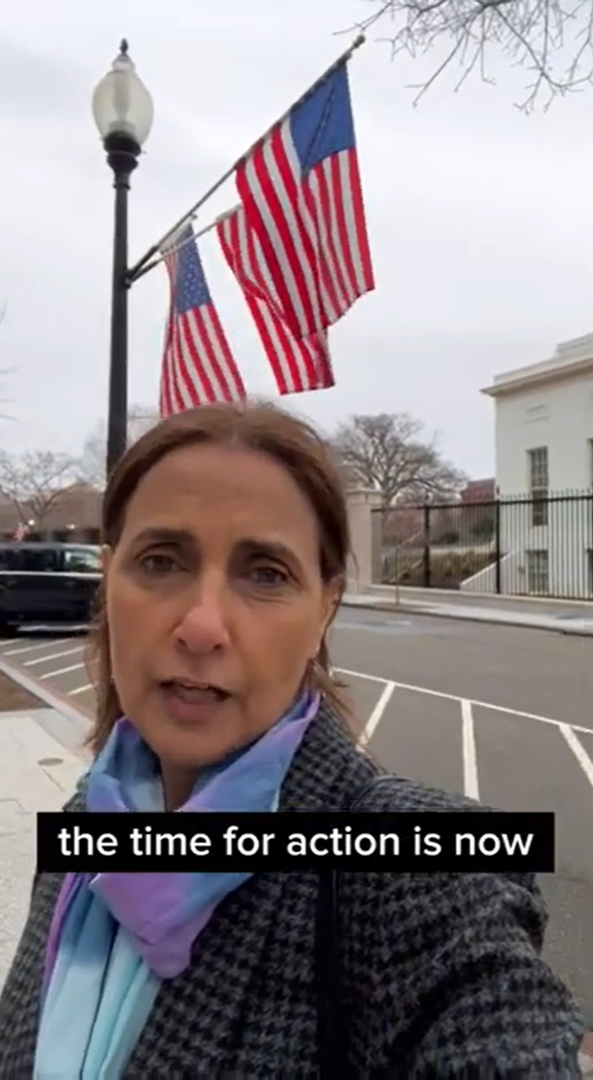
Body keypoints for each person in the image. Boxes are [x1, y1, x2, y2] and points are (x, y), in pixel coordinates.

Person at [0, 400, 584, 1076]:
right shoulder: (87, 823)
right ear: (110, 579)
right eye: (161, 561)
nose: (201, 625)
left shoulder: (422, 875)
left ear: (323, 611)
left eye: (265, 575)